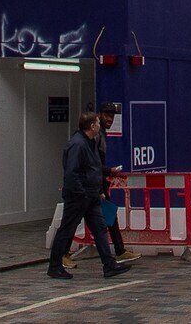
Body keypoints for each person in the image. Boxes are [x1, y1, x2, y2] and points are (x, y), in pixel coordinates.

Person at [47, 115, 129, 281]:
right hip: (79, 196)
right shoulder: (78, 144)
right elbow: (72, 172)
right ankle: (54, 266)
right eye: (98, 122)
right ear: (92, 125)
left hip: (90, 195)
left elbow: (94, 168)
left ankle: (109, 264)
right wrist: (82, 192)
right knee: (67, 229)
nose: (100, 125)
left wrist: (100, 184)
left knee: (99, 228)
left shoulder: (89, 142)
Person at [63, 105, 136, 271]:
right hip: (86, 190)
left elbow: (94, 165)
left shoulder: (97, 136)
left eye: (112, 117)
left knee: (101, 224)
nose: (109, 120)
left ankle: (114, 257)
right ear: (95, 121)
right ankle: (59, 258)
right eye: (106, 117)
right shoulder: (86, 141)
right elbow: (81, 167)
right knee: (72, 224)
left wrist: (106, 173)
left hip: (92, 188)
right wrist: (92, 188)